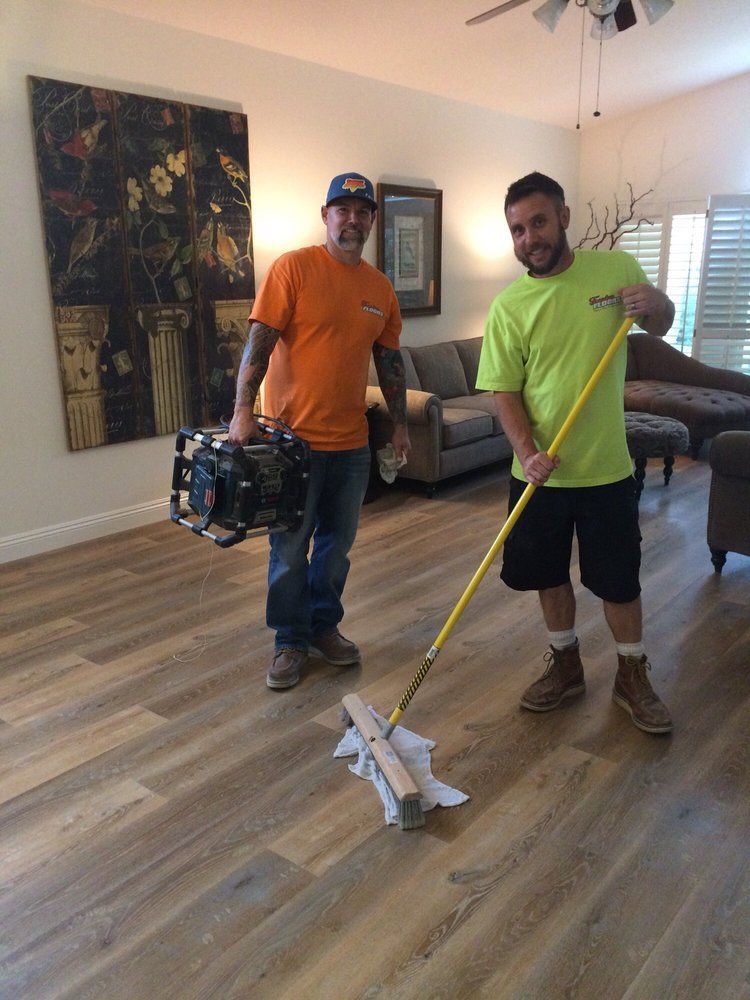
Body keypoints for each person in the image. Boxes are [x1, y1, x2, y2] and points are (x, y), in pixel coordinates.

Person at [476, 171, 676, 734]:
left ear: (564, 216)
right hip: (539, 473)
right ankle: (565, 664)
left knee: (619, 579)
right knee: (547, 574)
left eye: (537, 222)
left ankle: (632, 674)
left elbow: (659, 326)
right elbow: (504, 392)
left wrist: (657, 303)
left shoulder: (614, 270)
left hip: (606, 468)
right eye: (516, 229)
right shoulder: (510, 306)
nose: (528, 238)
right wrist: (527, 451)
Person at [228, 172, 410, 690]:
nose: (352, 219)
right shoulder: (294, 269)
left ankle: (323, 628)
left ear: (372, 221)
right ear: (326, 216)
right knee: (289, 549)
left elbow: (390, 362)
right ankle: (289, 639)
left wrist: (398, 425)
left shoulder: (379, 288)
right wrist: (243, 411)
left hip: (351, 445)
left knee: (336, 548)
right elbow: (258, 344)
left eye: (362, 211)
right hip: (292, 445)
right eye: (342, 209)